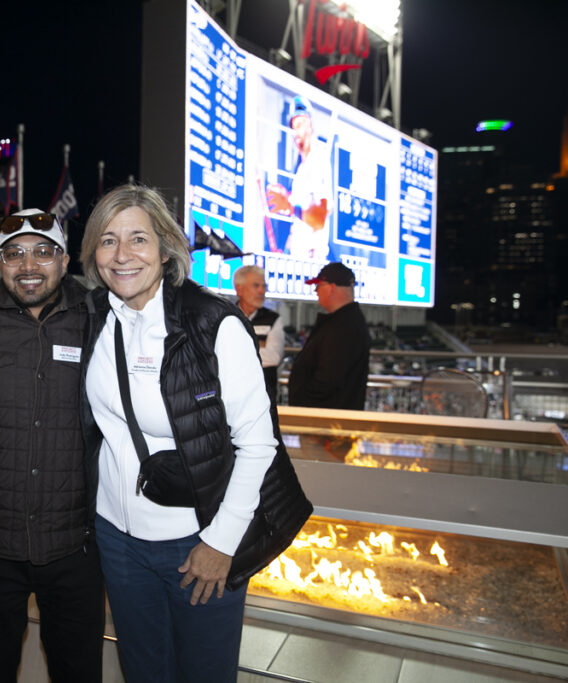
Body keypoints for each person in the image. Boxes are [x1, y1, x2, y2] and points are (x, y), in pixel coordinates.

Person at [79, 184, 278, 682]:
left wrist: (222, 542)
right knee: (144, 672)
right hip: (116, 540)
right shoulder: (93, 318)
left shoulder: (214, 324)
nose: (122, 255)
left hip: (196, 541)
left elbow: (257, 444)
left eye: (138, 239)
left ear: (166, 249)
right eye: (107, 240)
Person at [0, 209, 105, 683]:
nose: (29, 265)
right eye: (15, 254)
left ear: (65, 261)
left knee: (77, 672)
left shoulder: (99, 320)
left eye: (43, 252)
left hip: (75, 546)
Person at [288, 261, 370, 410]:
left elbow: (328, 379)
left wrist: (302, 400)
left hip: (327, 420)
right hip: (330, 416)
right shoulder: (346, 320)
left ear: (331, 288)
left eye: (318, 286)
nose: (316, 291)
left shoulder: (345, 326)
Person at [266, 96, 332, 260]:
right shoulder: (301, 169)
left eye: (300, 124)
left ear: (310, 125)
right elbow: (299, 220)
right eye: (293, 126)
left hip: (312, 263)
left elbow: (319, 219)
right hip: (297, 258)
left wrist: (289, 205)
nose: (296, 132)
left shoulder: (319, 159)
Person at [232, 265, 285, 396]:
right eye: (256, 286)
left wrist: (236, 349)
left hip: (264, 394)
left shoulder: (273, 319)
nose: (262, 291)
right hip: (232, 392)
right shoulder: (226, 316)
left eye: (264, 286)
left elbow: (273, 358)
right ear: (239, 289)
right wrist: (259, 345)